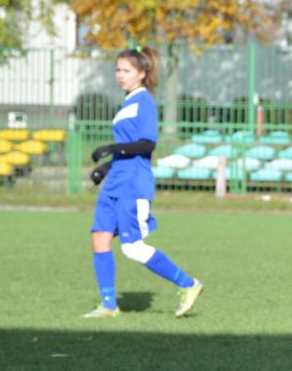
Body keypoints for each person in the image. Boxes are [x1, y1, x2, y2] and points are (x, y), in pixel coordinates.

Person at [85, 46, 203, 319]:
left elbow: (147, 144)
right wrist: (105, 167)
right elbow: (128, 147)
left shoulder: (144, 101)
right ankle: (109, 305)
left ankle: (189, 284)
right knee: (100, 237)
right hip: (115, 182)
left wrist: (111, 148)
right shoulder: (127, 103)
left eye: (126, 70)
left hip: (133, 184)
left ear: (142, 73)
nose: (120, 75)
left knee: (132, 248)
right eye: (117, 70)